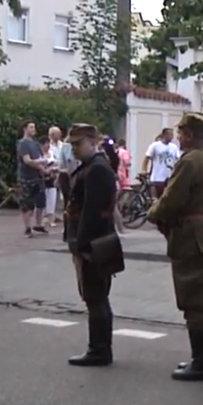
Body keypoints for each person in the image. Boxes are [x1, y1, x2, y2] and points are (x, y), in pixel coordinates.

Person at [147, 112, 203, 382]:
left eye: (181, 133)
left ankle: (202, 363)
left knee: (193, 302)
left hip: (192, 239)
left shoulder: (190, 161)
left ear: (189, 135)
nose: (179, 137)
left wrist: (153, 213)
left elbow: (171, 200)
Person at [63, 124, 119, 367]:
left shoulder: (96, 169)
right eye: (72, 144)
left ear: (92, 142)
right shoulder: (93, 167)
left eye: (78, 144)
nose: (74, 148)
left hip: (93, 243)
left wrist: (82, 245)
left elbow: (93, 213)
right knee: (95, 297)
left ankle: (99, 350)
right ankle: (99, 348)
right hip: (95, 241)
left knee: (95, 297)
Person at [16, 122, 49, 238]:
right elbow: (27, 161)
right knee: (26, 203)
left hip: (37, 177)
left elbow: (39, 160)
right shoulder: (23, 144)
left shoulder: (35, 144)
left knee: (41, 202)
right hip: (26, 177)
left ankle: (38, 225)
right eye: (31, 127)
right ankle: (27, 227)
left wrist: (44, 170)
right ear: (25, 129)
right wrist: (42, 162)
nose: (34, 129)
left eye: (34, 127)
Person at [141, 128, 181, 199]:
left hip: (168, 177)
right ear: (164, 135)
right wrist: (144, 169)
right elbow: (147, 157)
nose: (172, 137)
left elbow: (178, 159)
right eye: (170, 134)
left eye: (172, 135)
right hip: (156, 177)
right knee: (155, 200)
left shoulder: (174, 147)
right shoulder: (155, 145)